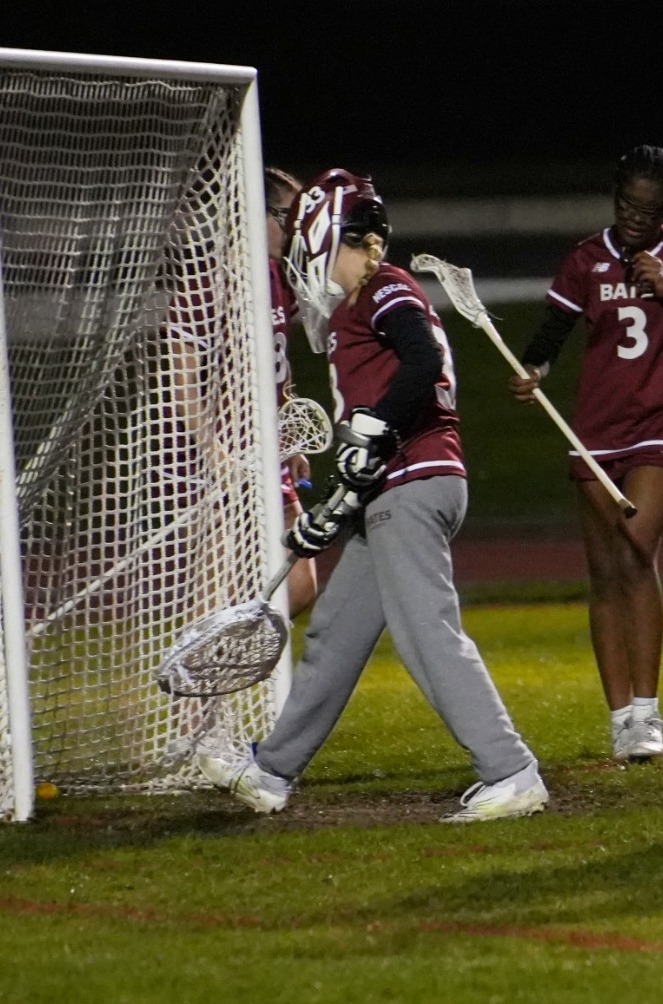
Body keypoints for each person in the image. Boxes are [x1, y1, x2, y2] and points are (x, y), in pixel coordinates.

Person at [200, 170, 547, 823]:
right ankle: (273, 771)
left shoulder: (383, 288)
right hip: (396, 482)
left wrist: (378, 430)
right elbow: (370, 441)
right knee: (334, 633)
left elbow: (419, 364)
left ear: (337, 235)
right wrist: (327, 517)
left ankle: (510, 769)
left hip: (416, 481)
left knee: (426, 635)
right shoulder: (359, 305)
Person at [510, 146, 663, 764]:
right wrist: (534, 370)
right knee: (605, 571)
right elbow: (550, 335)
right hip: (595, 430)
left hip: (662, 424)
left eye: (649, 210)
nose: (635, 219)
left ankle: (647, 711)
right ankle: (620, 721)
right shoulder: (585, 258)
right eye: (627, 206)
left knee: (637, 550)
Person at [264, 166, 318, 615]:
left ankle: (238, 672)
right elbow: (183, 372)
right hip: (224, 459)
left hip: (271, 453)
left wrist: (291, 436)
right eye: (287, 215)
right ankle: (205, 682)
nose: (295, 228)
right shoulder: (219, 278)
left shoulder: (280, 280)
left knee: (299, 586)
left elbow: (279, 366)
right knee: (223, 589)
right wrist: (212, 451)